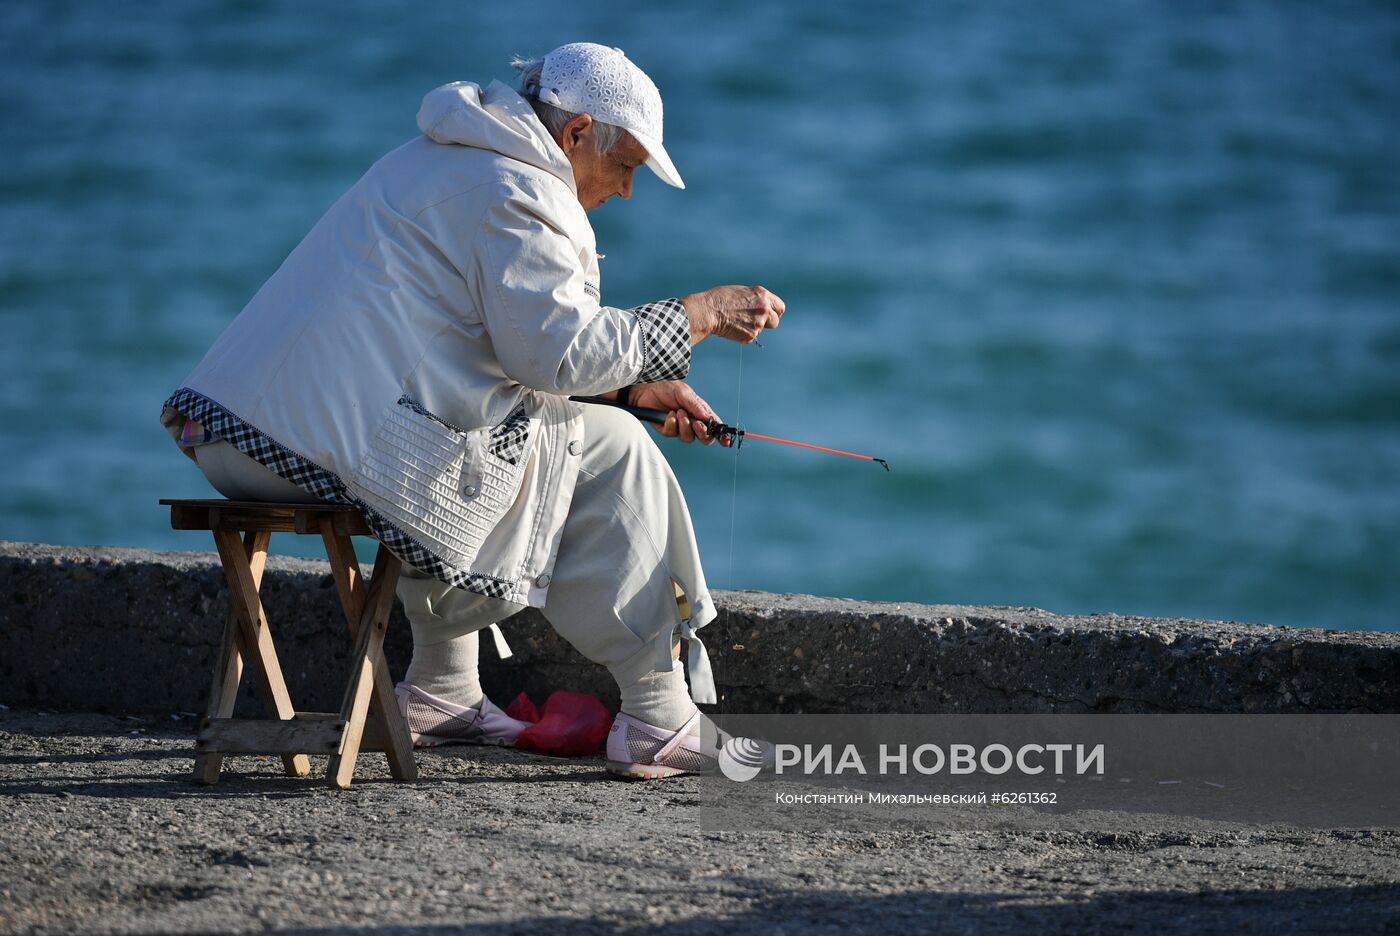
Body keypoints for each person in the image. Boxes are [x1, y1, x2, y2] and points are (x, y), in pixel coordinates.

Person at [160, 42, 784, 779]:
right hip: (313, 445)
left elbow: (477, 355)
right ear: (577, 133)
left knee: (474, 430)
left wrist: (631, 387)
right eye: (627, 166)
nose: (626, 193)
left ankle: (441, 689)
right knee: (611, 450)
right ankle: (657, 714)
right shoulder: (519, 189)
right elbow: (551, 358)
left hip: (235, 430)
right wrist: (697, 316)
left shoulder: (443, 155)